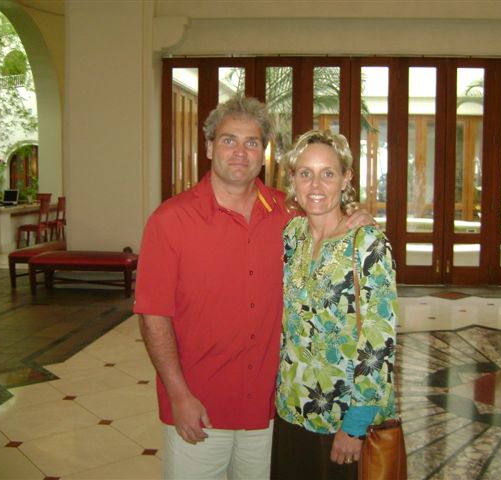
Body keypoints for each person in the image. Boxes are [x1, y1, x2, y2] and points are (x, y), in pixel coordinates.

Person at [134, 97, 373, 480]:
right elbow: (153, 317)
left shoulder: (289, 217)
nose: (240, 152)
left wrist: (357, 219)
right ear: (209, 147)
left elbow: (332, 227)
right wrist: (178, 395)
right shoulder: (170, 221)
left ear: (264, 152)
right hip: (200, 406)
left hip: (269, 412)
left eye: (252, 143)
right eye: (229, 140)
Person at [270, 130, 398, 480]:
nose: (315, 184)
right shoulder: (291, 236)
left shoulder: (368, 245)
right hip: (291, 408)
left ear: (346, 179)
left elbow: (379, 344)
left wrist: (355, 426)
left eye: (328, 173)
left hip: (341, 418)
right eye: (305, 173)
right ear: (293, 179)